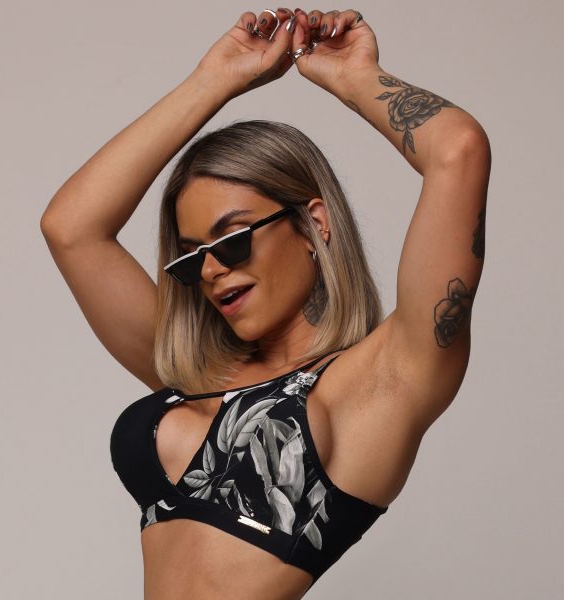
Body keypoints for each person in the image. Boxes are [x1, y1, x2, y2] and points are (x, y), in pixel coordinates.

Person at [40, 7, 491, 599]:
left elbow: (458, 150)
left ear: (314, 223)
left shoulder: (380, 383)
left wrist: (356, 78)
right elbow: (70, 228)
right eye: (191, 256)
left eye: (232, 239)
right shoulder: (195, 372)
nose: (211, 269)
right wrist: (214, 80)